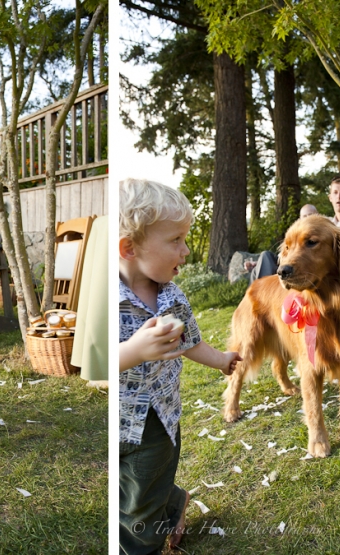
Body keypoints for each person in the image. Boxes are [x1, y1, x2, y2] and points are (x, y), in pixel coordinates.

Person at [119, 179, 241, 555]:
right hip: (117, 416)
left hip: (157, 420)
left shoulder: (172, 295)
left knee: (139, 507)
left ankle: (145, 545)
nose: (186, 251)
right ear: (129, 247)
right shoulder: (107, 298)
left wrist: (221, 360)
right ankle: (172, 502)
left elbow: (190, 342)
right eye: (176, 240)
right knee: (130, 487)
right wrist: (133, 351)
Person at [244, 204, 318, 284]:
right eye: (304, 216)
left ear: (317, 215)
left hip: (299, 267)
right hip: (286, 264)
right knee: (264, 257)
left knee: (258, 270)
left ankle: (263, 294)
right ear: (300, 219)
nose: (307, 219)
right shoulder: (295, 235)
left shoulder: (321, 233)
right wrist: (257, 263)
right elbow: (281, 256)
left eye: (310, 215)